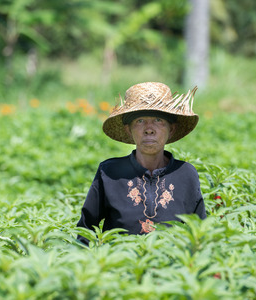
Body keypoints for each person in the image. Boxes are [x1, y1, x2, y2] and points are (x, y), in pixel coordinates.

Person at [76, 82, 206, 244]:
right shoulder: (109, 172)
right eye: (140, 121)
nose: (149, 129)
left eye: (158, 120)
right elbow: (85, 230)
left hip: (173, 266)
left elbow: (201, 231)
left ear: (171, 129)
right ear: (128, 130)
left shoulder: (186, 174)